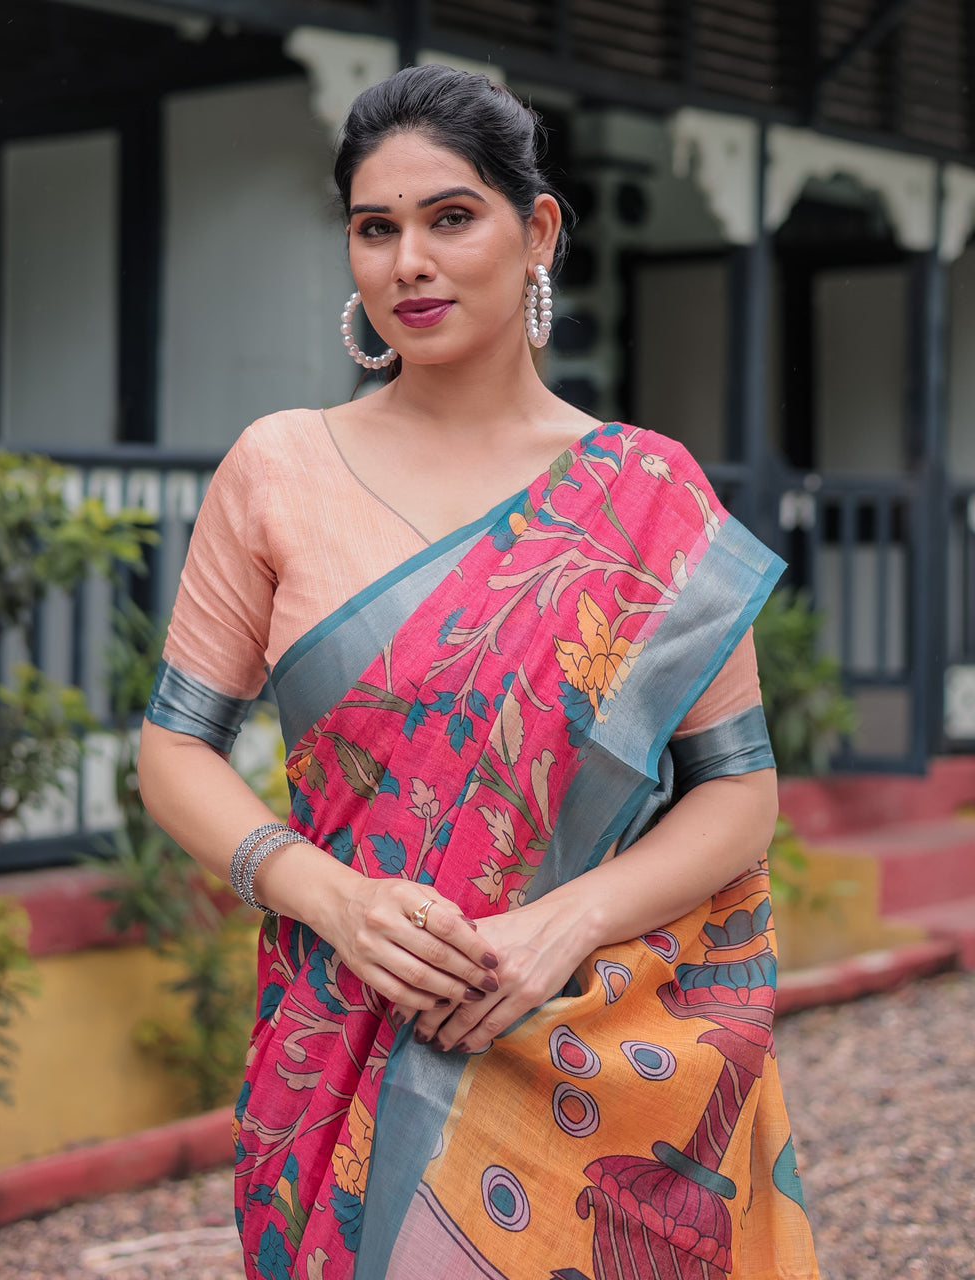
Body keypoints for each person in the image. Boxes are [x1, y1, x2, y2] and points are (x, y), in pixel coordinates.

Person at [138, 63, 820, 1280]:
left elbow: (741, 791)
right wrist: (328, 895)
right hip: (339, 1029)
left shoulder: (646, 491)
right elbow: (174, 746)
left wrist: (563, 923)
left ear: (537, 229)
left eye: (451, 217)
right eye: (374, 227)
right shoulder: (279, 468)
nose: (409, 260)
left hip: (581, 1039)